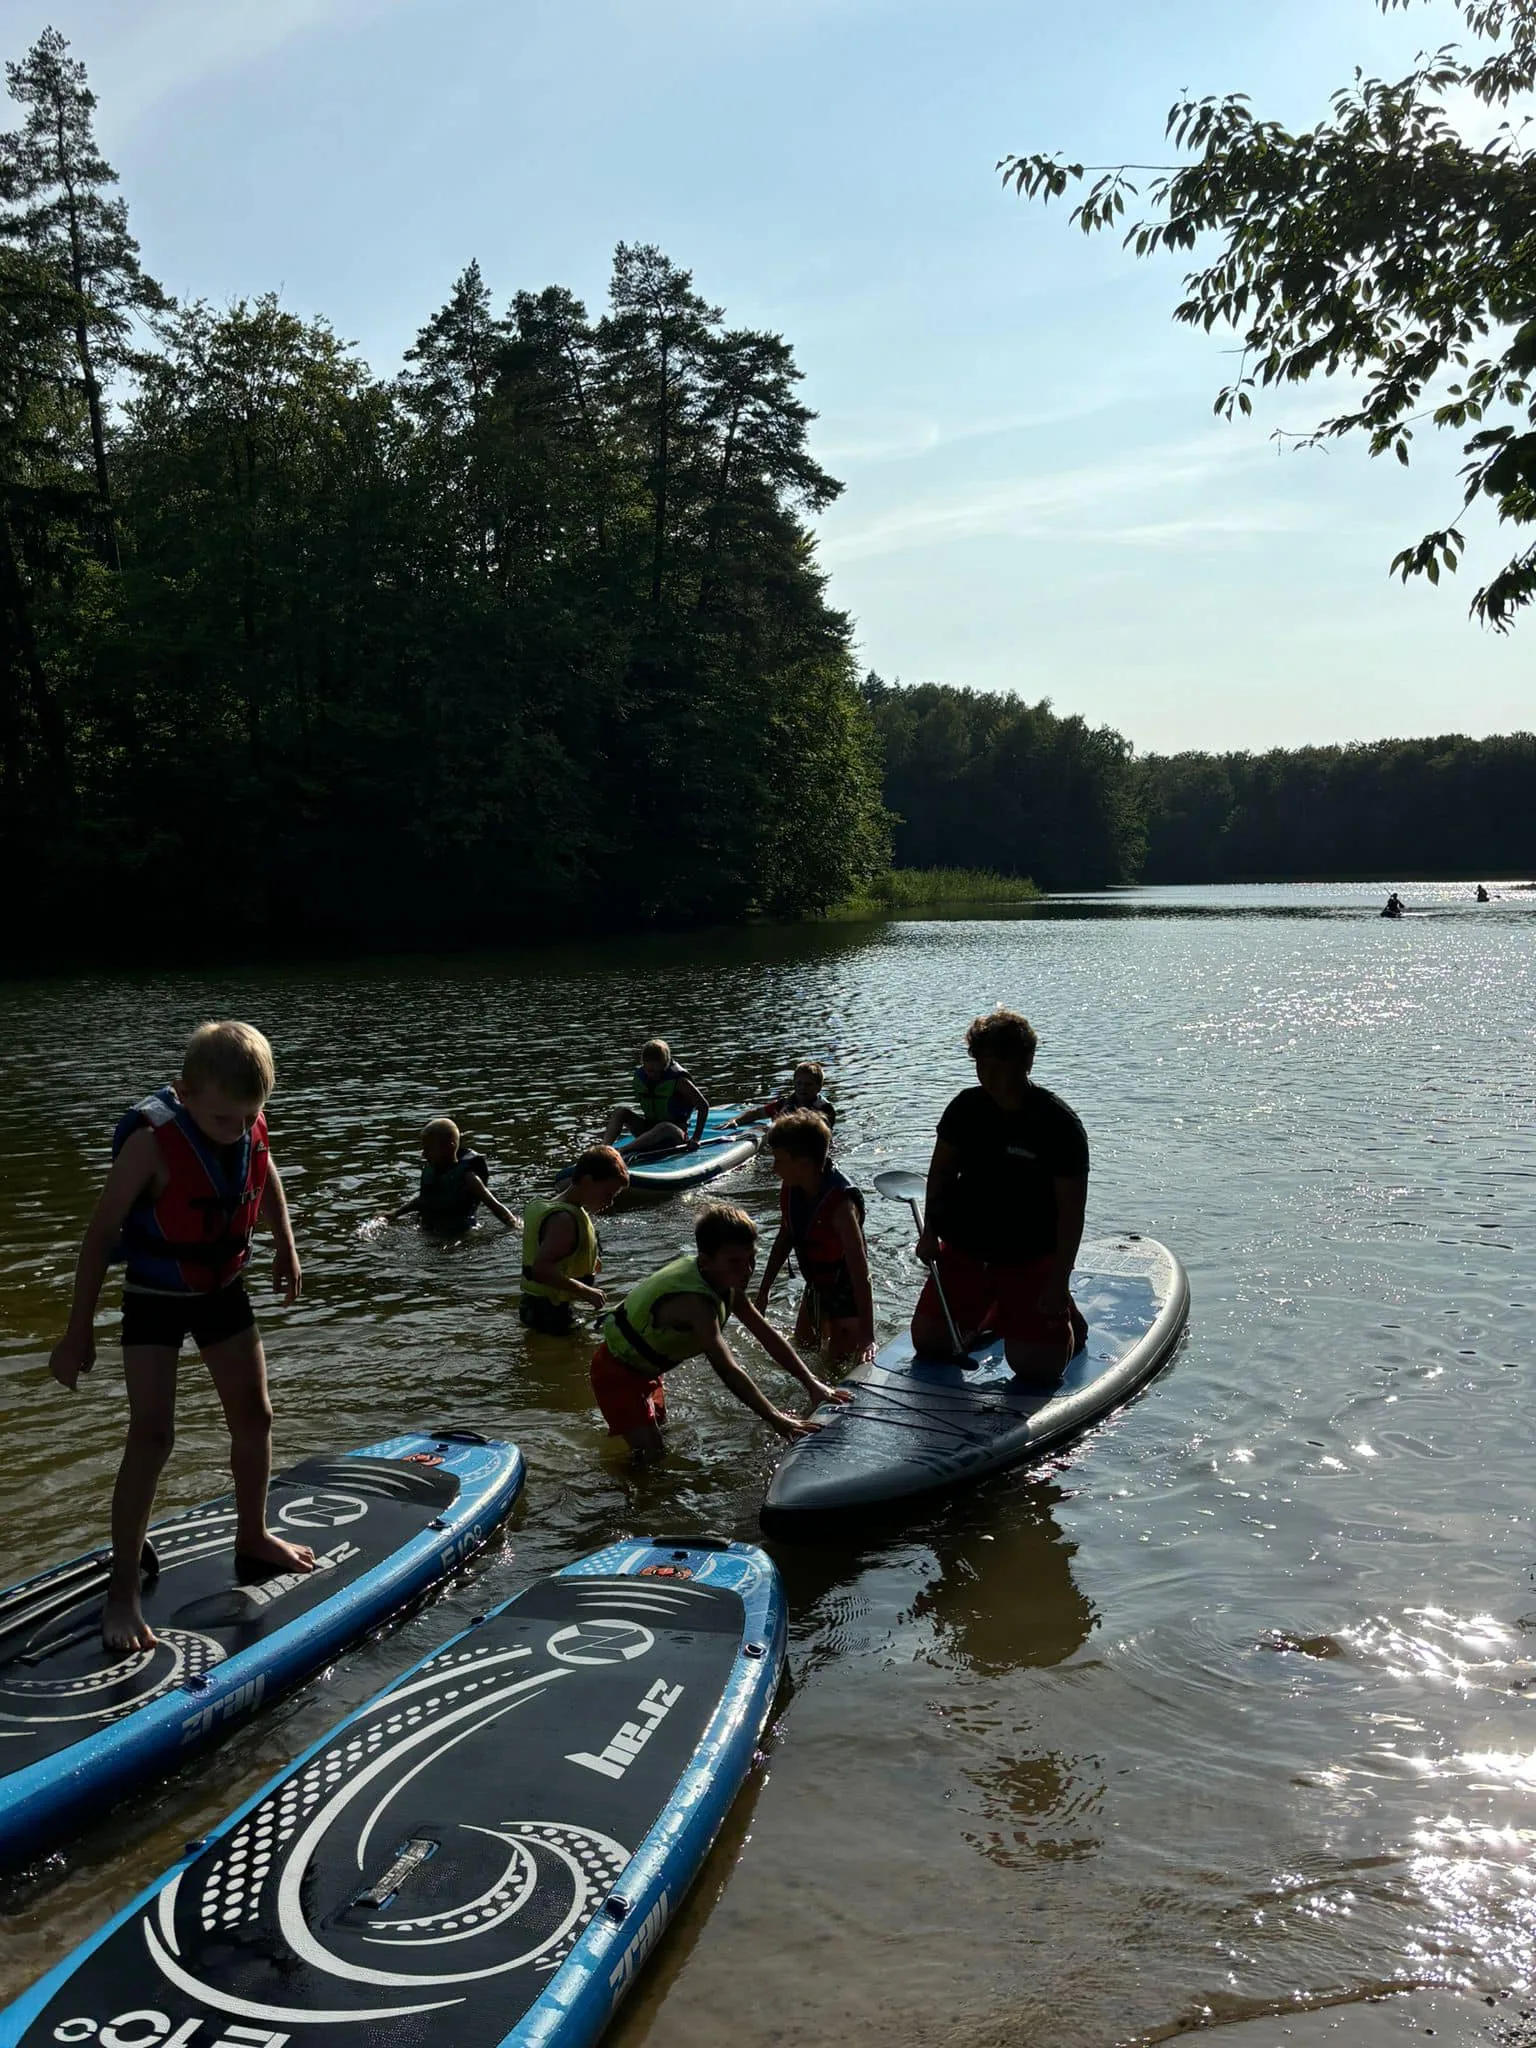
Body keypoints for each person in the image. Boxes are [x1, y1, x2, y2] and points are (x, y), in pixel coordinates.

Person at [48, 1021, 317, 1654]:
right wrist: (76, 1330)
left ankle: (252, 1534)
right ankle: (122, 1592)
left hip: (222, 1289)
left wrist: (286, 1244)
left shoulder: (246, 1120)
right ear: (185, 1092)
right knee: (153, 1435)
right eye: (221, 1119)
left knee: (256, 1415)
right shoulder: (151, 1144)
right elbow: (96, 1239)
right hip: (156, 1299)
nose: (234, 1129)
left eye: (247, 1116)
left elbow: (265, 1170)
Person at [912, 1008, 1090, 1391]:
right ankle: (995, 1312)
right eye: (981, 1065)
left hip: (1029, 1253)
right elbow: (941, 1173)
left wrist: (1059, 1279)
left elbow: (1072, 1212)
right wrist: (930, 1233)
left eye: (998, 1065)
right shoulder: (965, 1108)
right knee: (928, 1342)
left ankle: (1064, 1317)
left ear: (1027, 1061)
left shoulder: (1059, 1125)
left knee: (1036, 1368)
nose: (987, 1076)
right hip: (967, 1246)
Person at [589, 1203, 850, 1457]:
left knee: (659, 1439)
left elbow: (766, 1334)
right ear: (705, 1261)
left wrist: (812, 1383)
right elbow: (728, 1369)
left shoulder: (726, 1280)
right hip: (617, 1375)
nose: (747, 1271)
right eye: (735, 1261)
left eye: (752, 1259)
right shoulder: (697, 1304)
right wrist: (777, 1419)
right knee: (651, 1459)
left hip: (646, 1372)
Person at [755, 1109, 874, 1362]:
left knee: (835, 1367)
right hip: (817, 1284)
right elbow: (785, 1237)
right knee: (803, 1349)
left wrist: (868, 1336)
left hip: (846, 1290)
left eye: (779, 1160)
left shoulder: (841, 1206)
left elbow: (860, 1270)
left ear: (804, 1164)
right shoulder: (792, 1186)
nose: (774, 1169)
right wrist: (763, 1291)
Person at [520, 1145, 628, 1335]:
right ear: (587, 1181)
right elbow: (541, 1270)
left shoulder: (551, 1206)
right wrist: (586, 1291)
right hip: (548, 1313)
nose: (610, 1202)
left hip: (540, 1307)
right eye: (608, 1194)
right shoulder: (564, 1220)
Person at [392, 1117, 520, 1231]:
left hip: (459, 1236)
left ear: (450, 1147)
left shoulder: (468, 1178)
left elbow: (494, 1205)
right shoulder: (432, 1172)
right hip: (431, 1232)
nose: (423, 1155)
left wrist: (514, 1223)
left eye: (428, 1149)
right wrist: (395, 1213)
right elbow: (424, 1199)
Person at [602, 1039, 709, 1159]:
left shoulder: (679, 1081)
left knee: (664, 1126)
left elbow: (703, 1106)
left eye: (654, 1069)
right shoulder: (641, 1076)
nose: (650, 1073)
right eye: (647, 1068)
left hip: (674, 1134)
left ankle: (623, 1151)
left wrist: (696, 1138)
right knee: (620, 1111)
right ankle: (603, 1150)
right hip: (648, 1130)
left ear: (664, 1064)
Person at [725, 1059, 838, 1131]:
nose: (803, 1087)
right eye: (799, 1083)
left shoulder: (825, 1109)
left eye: (809, 1084)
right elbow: (756, 1113)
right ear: (794, 1083)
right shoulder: (784, 1104)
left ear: (819, 1087)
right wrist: (735, 1120)